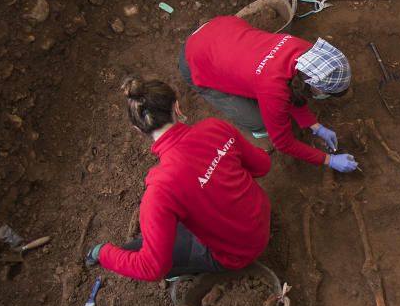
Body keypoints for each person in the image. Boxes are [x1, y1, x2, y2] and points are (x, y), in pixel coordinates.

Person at [84, 78, 273, 281]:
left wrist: (102, 252)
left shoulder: (161, 190)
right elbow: (262, 166)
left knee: (133, 251)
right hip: (261, 217)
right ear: (176, 107)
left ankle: (183, 270)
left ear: (138, 130)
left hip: (238, 253)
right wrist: (217, 166)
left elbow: (151, 268)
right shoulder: (214, 128)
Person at [179, 16, 357, 173]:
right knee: (260, 122)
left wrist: (315, 126)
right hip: (194, 58)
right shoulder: (273, 89)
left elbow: (295, 86)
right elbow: (284, 144)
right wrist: (329, 160)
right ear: (314, 87)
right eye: (325, 93)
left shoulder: (305, 51)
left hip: (220, 28)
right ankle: (242, 112)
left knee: (257, 80)